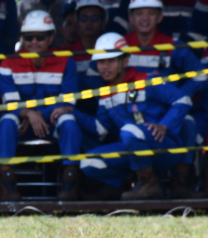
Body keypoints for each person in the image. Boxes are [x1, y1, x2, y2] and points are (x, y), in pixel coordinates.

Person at [76, 33, 199, 199]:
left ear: (125, 61)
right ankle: (128, 184)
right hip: (131, 151)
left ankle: (149, 184)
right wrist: (70, 111)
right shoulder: (105, 93)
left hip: (163, 147)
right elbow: (100, 129)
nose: (105, 67)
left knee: (130, 131)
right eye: (101, 62)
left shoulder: (147, 80)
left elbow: (183, 100)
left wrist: (165, 125)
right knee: (88, 163)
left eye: (111, 61)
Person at [0, 10, 92, 201]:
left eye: (40, 37)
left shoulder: (66, 60)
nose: (33, 42)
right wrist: (28, 114)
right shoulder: (8, 62)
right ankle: (7, 186)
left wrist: (35, 114)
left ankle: (70, 185)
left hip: (52, 123)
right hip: (23, 125)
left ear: (51, 38)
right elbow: (10, 102)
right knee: (6, 121)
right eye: (28, 37)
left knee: (69, 121)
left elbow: (68, 100)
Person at [123, 0, 205, 100]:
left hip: (164, 114)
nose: (145, 18)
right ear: (131, 18)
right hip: (126, 111)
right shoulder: (120, 45)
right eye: (139, 13)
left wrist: (177, 96)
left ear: (160, 17)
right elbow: (99, 73)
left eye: (151, 13)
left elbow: (201, 75)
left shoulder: (172, 46)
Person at [64, 0, 109, 91]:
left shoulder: (111, 51)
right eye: (84, 18)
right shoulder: (66, 53)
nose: (89, 23)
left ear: (103, 22)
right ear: (77, 23)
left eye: (95, 18)